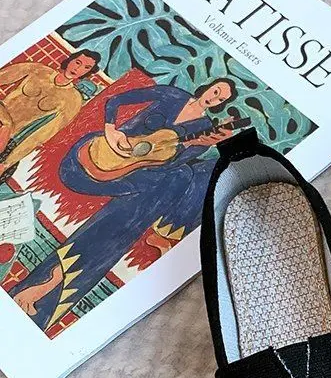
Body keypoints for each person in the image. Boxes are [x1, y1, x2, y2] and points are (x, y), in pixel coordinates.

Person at [10, 78, 237, 329]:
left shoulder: (203, 128)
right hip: (95, 157)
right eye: (216, 91)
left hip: (134, 178)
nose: (214, 98)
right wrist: (111, 128)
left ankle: (50, 286)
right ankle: (53, 284)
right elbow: (116, 100)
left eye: (221, 99)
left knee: (175, 180)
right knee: (172, 183)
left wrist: (192, 144)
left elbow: (165, 164)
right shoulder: (172, 95)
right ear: (209, 86)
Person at [0, 49, 100, 177]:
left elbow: (41, 136)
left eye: (86, 67)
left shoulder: (73, 100)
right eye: (77, 62)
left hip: (14, 140)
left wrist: (7, 163)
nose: (78, 69)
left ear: (88, 72)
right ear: (70, 60)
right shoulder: (39, 70)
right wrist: (6, 123)